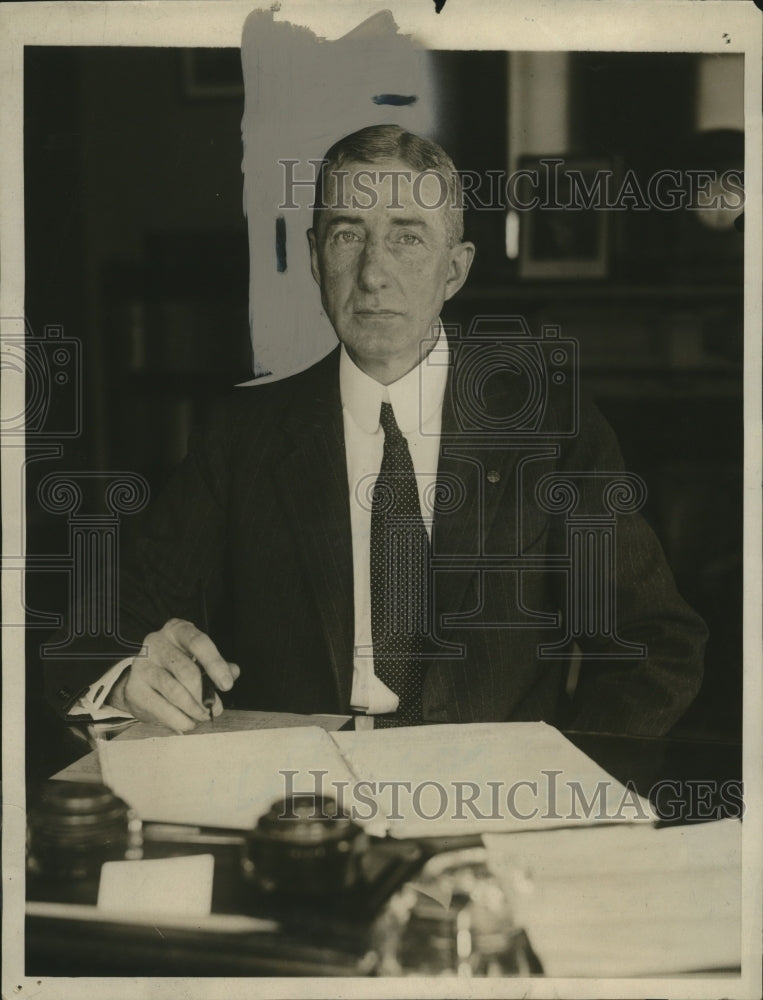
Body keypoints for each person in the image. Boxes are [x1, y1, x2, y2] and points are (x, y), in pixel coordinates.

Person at [43, 124, 706, 735]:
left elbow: (652, 644)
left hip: (499, 805)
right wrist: (130, 675)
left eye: (407, 236)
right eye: (346, 234)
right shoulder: (241, 437)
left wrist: (567, 784)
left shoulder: (548, 428)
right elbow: (99, 629)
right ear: (314, 258)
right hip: (296, 804)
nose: (372, 273)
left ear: (455, 268)